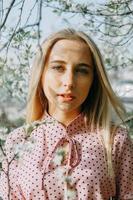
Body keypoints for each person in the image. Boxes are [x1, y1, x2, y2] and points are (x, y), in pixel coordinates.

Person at [0, 28, 133, 200]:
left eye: (82, 70)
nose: (69, 82)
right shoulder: (17, 142)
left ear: (93, 80)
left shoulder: (115, 140)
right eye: (58, 68)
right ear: (41, 74)